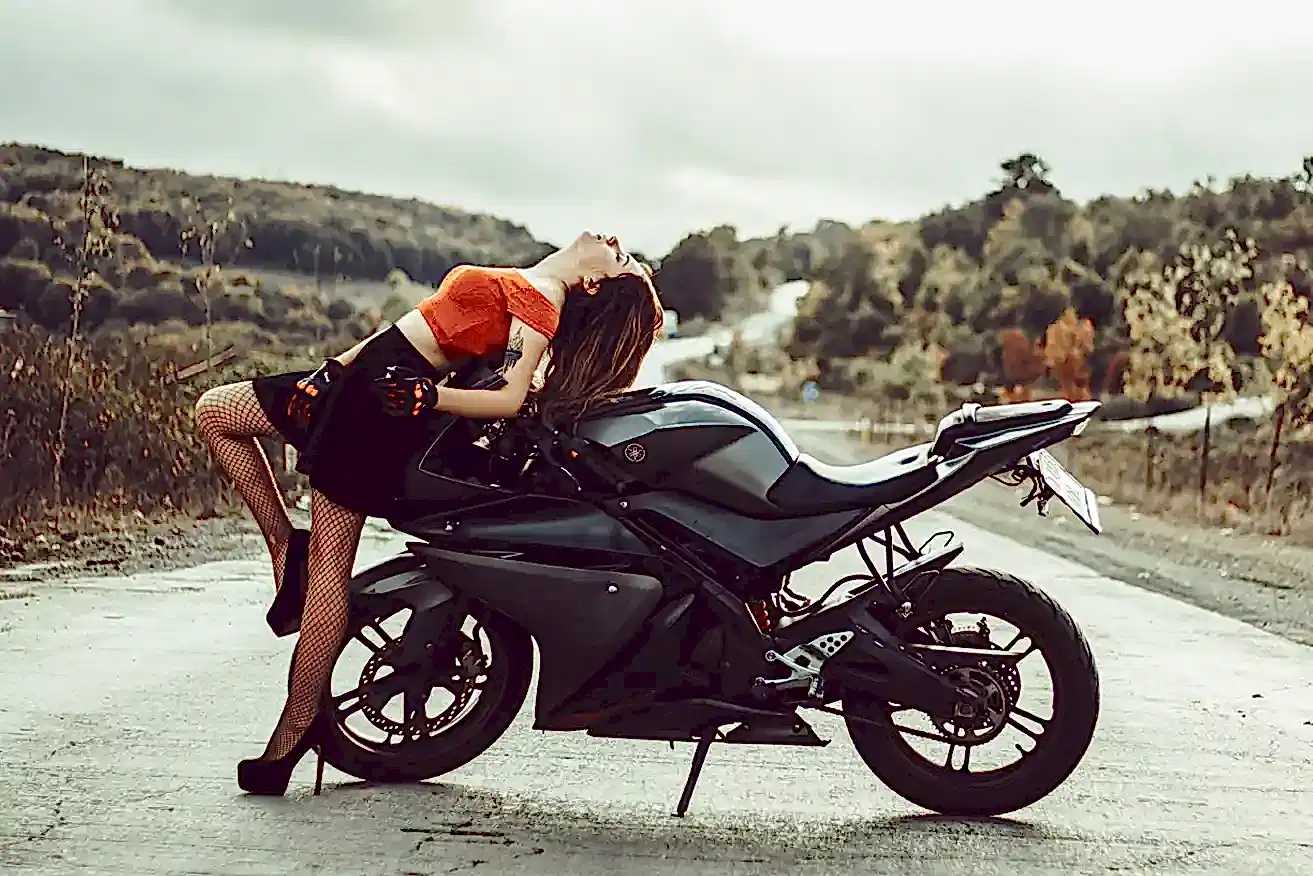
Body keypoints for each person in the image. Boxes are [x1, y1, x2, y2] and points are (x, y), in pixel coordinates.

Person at [194, 231, 663, 796]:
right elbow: (409, 324)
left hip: (377, 410)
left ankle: (291, 736)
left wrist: (429, 398)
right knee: (216, 411)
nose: (615, 241)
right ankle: (283, 545)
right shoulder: (530, 279)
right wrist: (333, 368)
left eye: (621, 257)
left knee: (327, 579)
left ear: (593, 281)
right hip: (358, 381)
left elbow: (510, 397)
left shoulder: (543, 300)